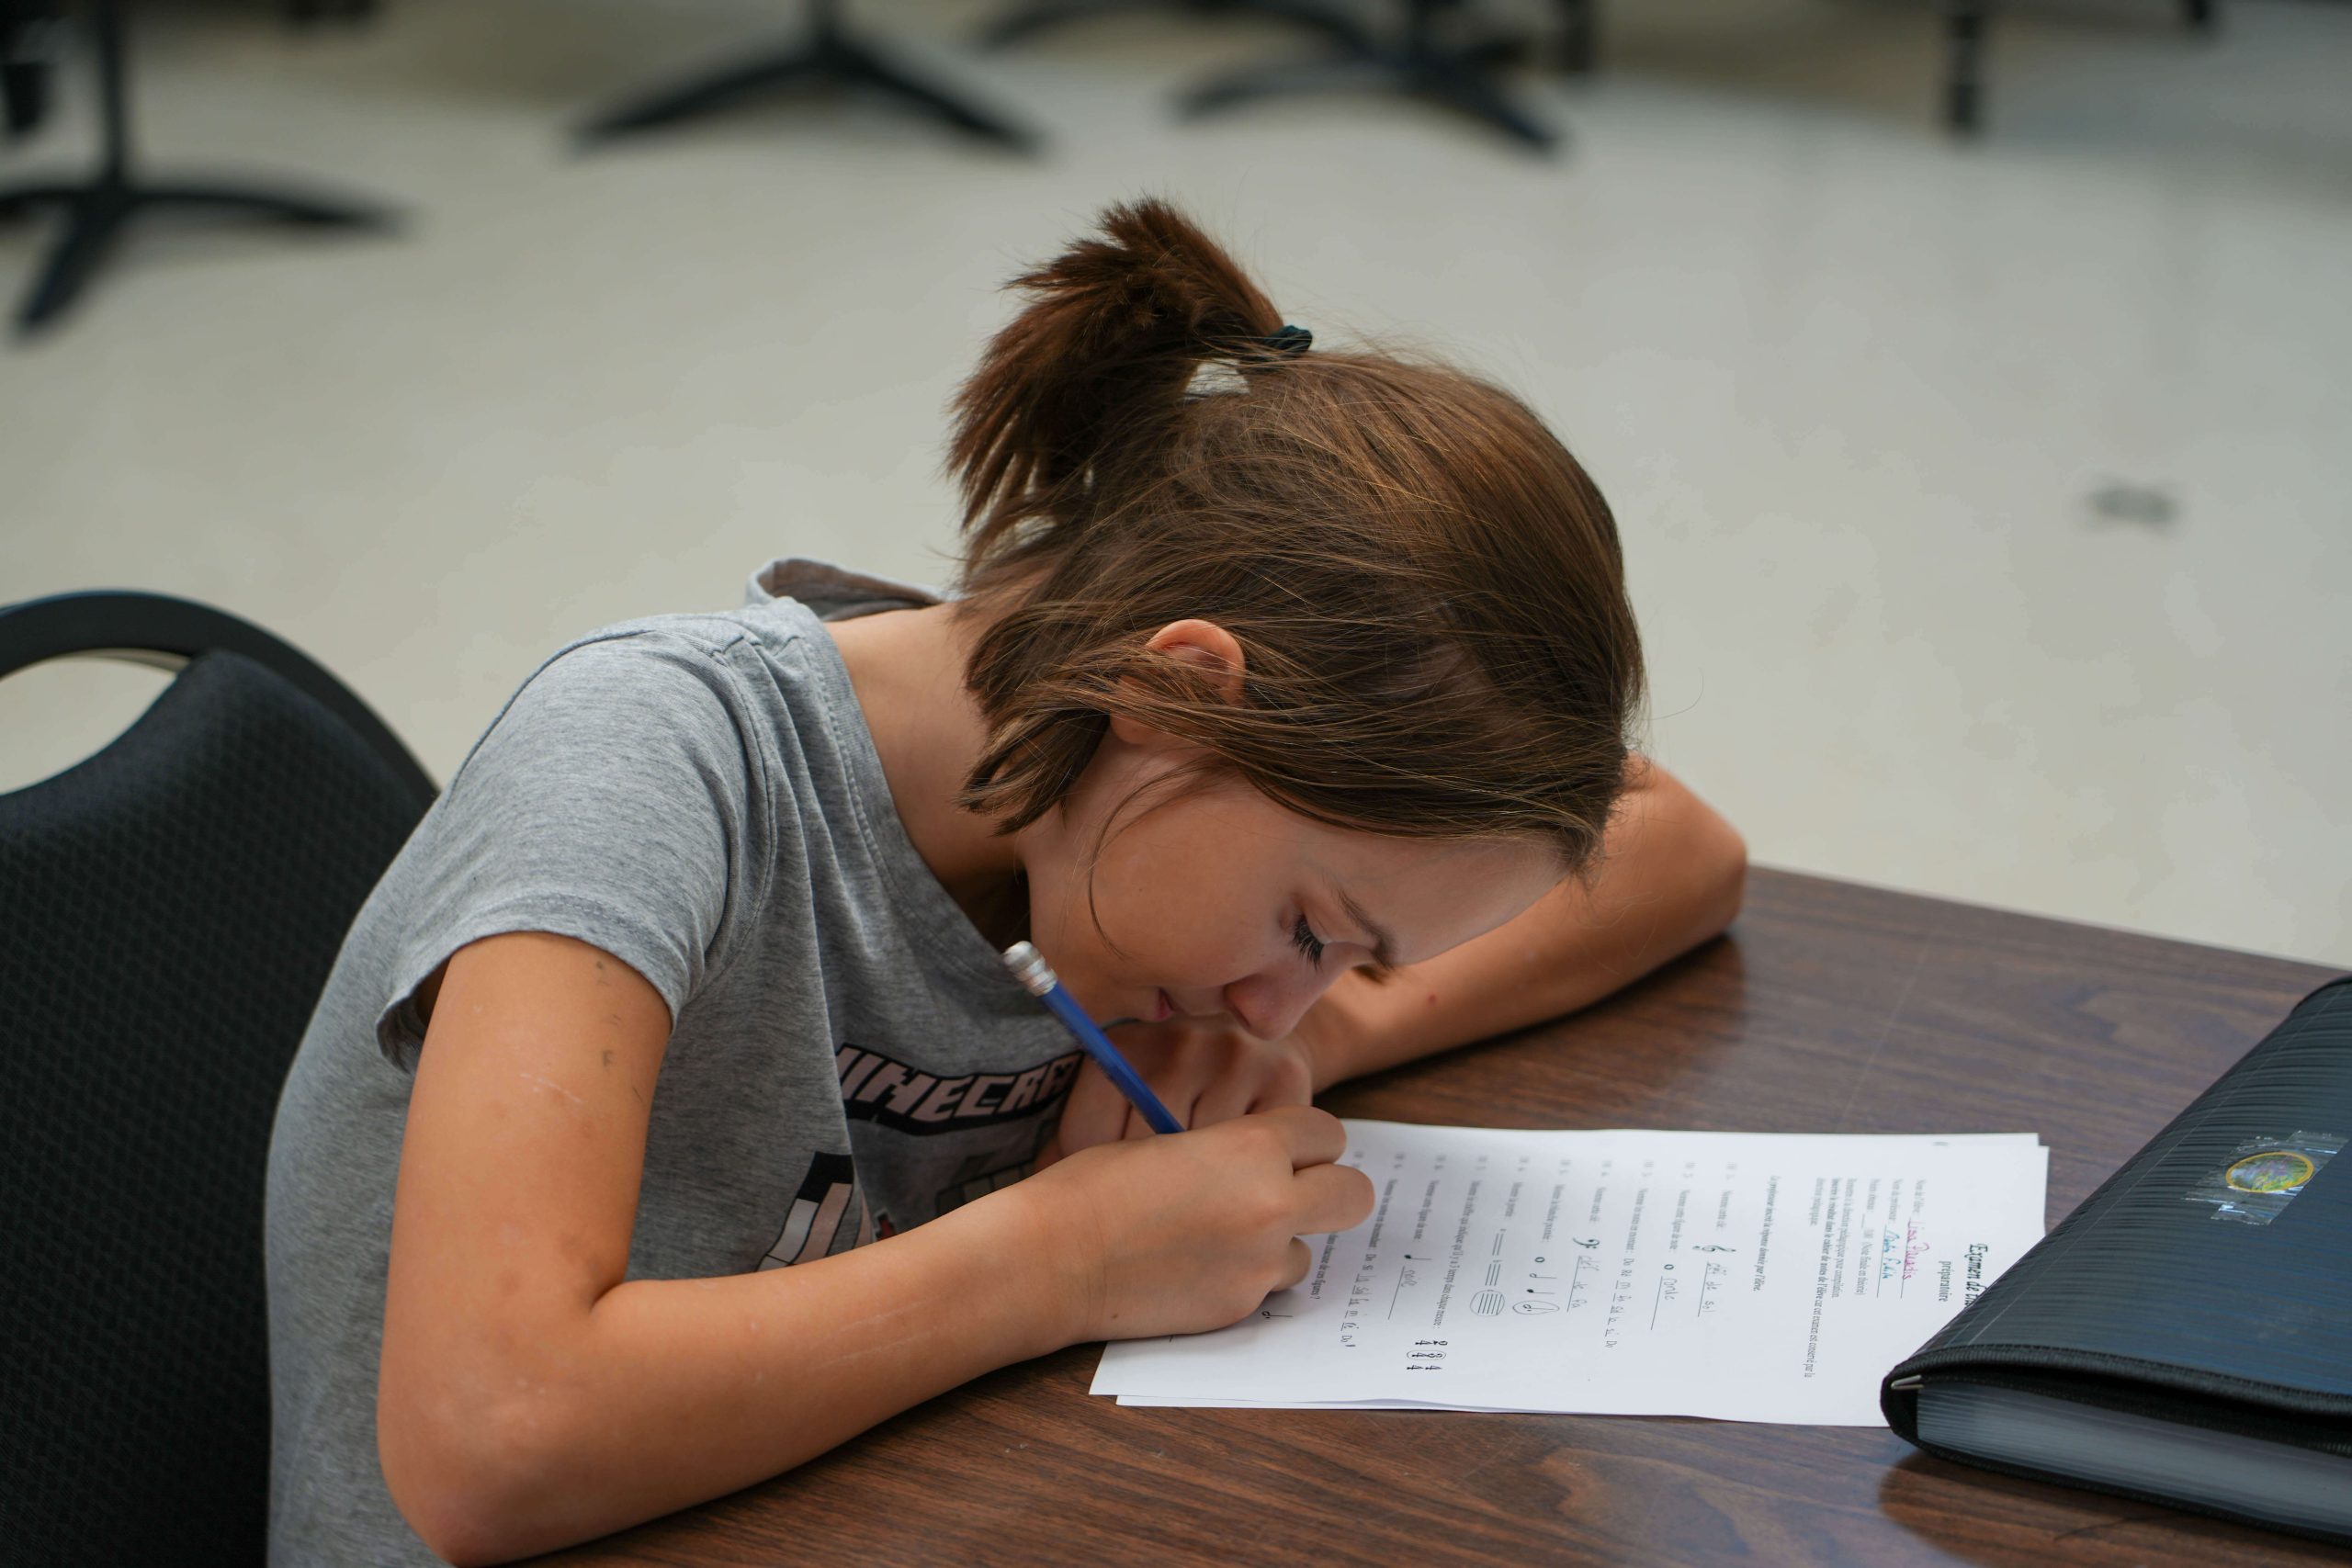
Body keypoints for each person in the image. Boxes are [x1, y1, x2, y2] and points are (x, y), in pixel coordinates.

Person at [264, 197, 1747, 1566]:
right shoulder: (652, 766)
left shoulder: (1096, 805)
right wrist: (1068, 1261)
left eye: (1348, 957)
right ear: (1180, 697)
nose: (1275, 989)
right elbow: (486, 1439)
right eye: (1307, 928)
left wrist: (1301, 1035)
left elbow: (1677, 844)